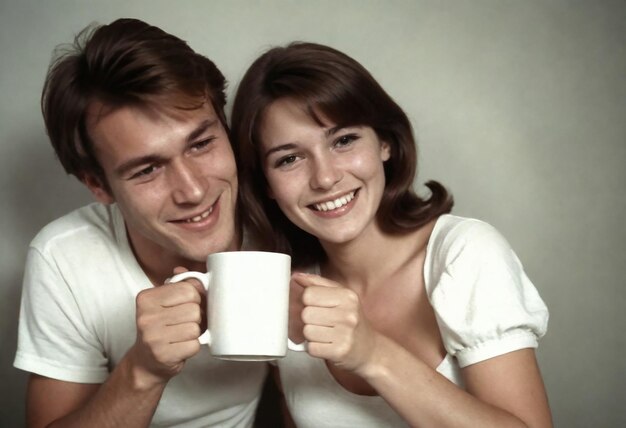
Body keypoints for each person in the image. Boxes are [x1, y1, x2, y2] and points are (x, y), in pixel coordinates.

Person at [231, 42, 553, 427]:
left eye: (344, 140)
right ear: (265, 184)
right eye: (289, 159)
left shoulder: (463, 254)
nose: (326, 177)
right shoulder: (280, 291)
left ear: (385, 142)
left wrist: (373, 354)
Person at [13, 18, 269, 427]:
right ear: (99, 185)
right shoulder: (64, 256)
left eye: (201, 144)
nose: (193, 190)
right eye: (148, 169)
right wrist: (142, 372)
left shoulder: (281, 216)